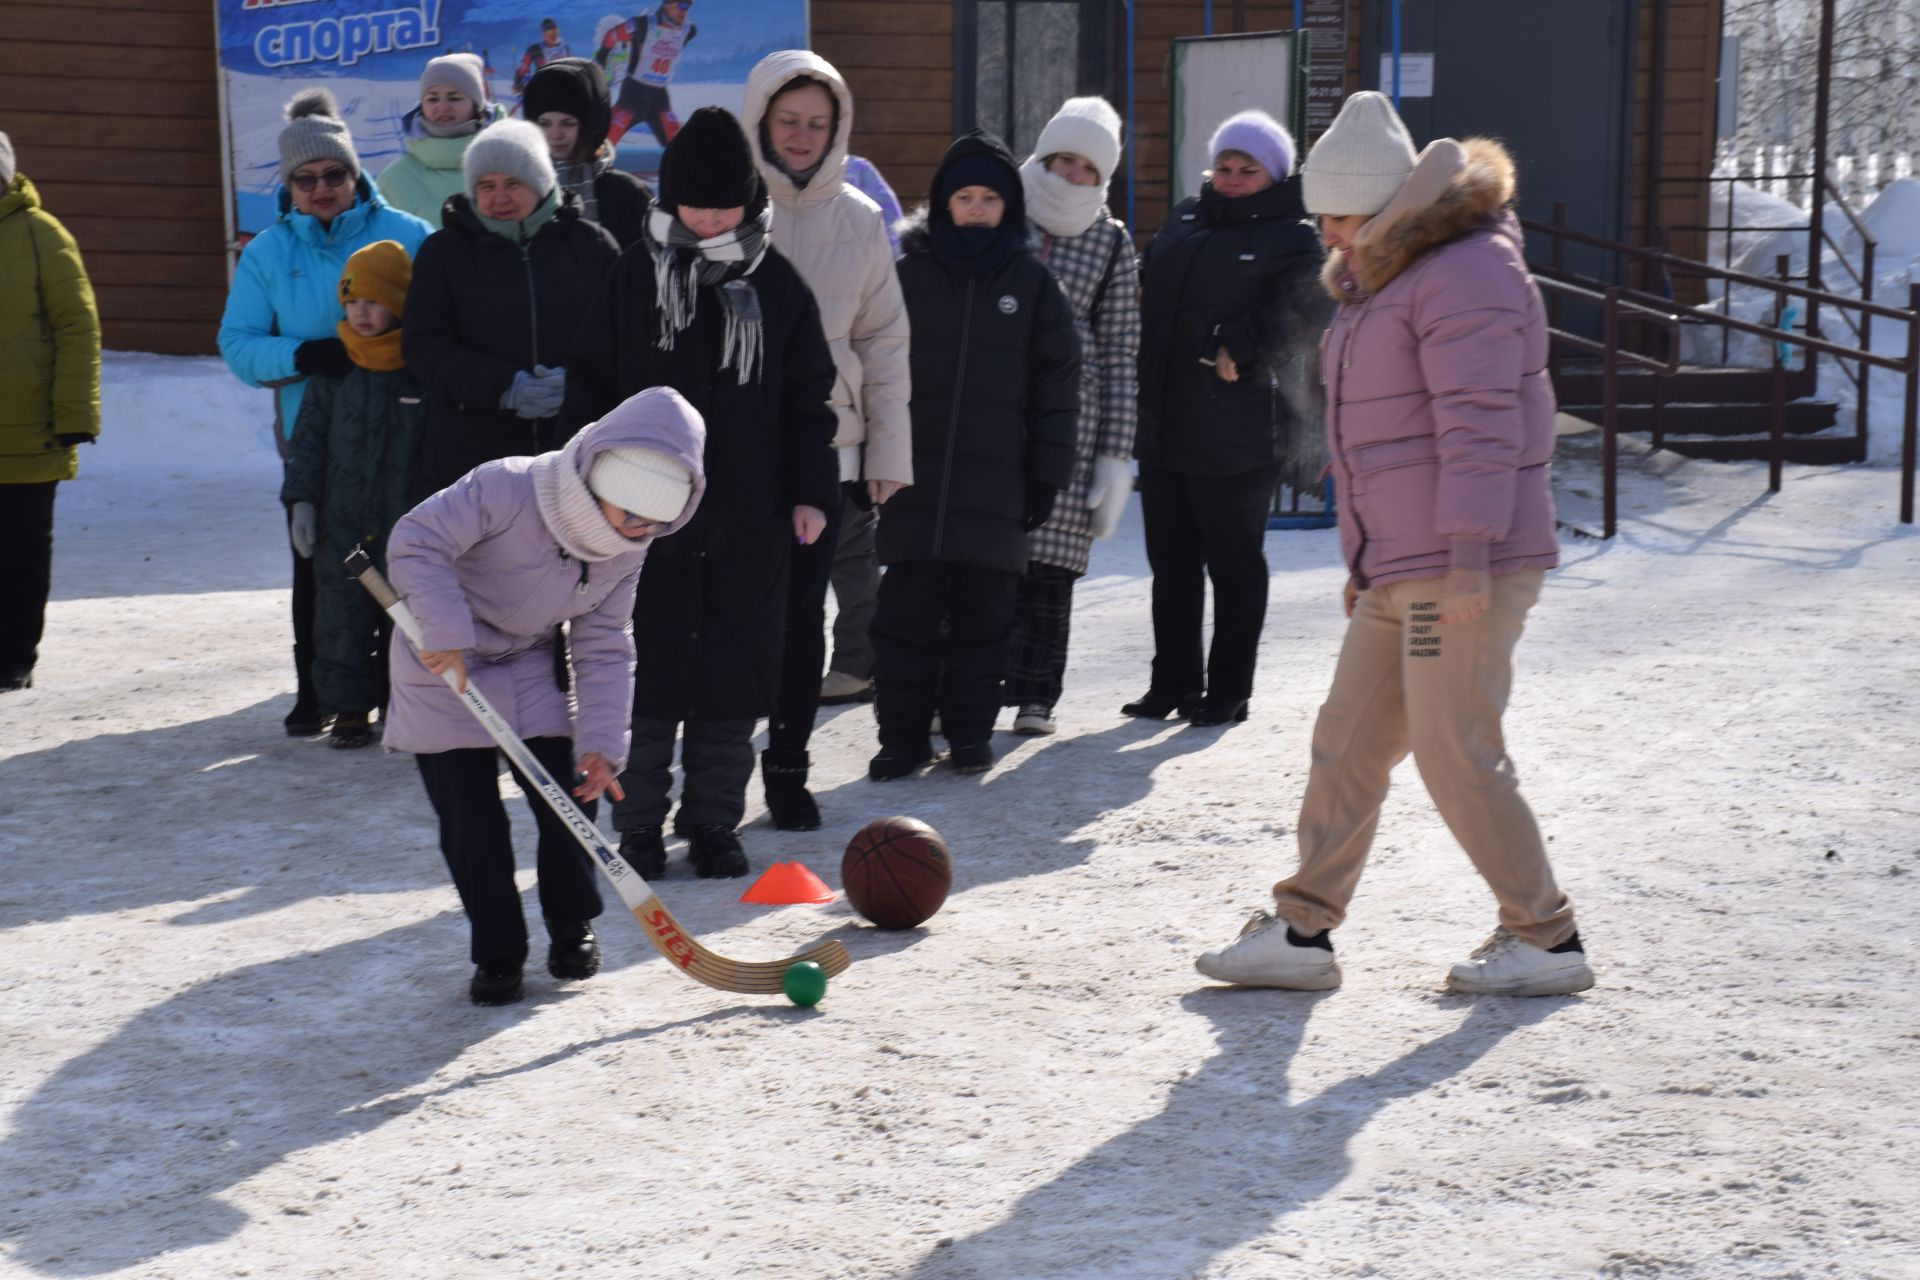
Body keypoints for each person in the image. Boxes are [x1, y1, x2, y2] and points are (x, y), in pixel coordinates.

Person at [1193, 91, 1591, 998]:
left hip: (1460, 566)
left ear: (1380, 207)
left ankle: (1546, 938)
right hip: (1406, 568)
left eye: (1335, 215)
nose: (1326, 234)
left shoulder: (1467, 276)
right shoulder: (1389, 280)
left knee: (1457, 748)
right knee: (1348, 742)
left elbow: (1482, 427)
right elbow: (1380, 441)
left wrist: (1465, 559)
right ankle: (1301, 931)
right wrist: (1369, 562)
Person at [567, 106, 837, 878]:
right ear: (670, 201)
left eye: (725, 205)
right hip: (639, 520)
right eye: (696, 203)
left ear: (751, 204)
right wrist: (584, 479)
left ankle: (716, 822)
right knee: (644, 683)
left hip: (746, 521)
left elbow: (806, 400)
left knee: (732, 681)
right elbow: (588, 379)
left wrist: (811, 491)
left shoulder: (778, 287)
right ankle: (640, 824)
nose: (710, 217)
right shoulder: (633, 278)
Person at [385, 387, 705, 1006]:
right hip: (442, 658)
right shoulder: (507, 486)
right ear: (600, 477)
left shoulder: (626, 552)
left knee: (568, 799)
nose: (641, 529)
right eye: (631, 511)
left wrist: (604, 744)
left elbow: (606, 640)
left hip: (530, 660)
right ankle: (498, 951)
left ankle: (571, 923)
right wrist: (447, 635)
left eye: (656, 519)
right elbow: (416, 540)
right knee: (472, 822)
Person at [218, 90, 433, 736]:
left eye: (333, 174)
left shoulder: (408, 235)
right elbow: (238, 344)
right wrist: (308, 353)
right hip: (318, 433)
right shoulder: (269, 253)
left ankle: (410, 693)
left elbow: (444, 323)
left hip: (401, 429)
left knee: (409, 565)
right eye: (305, 179)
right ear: (289, 185)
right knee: (321, 572)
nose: (322, 188)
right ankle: (321, 691)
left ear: (353, 173)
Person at [869, 129, 1079, 781]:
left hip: (997, 487)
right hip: (913, 481)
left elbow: (1058, 383)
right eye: (965, 196)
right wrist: (866, 460)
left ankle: (966, 734)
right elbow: (869, 368)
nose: (978, 209)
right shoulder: (905, 275)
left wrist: (1049, 472)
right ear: (943, 202)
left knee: (984, 622)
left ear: (1009, 207)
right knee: (904, 620)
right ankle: (902, 737)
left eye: (991, 197)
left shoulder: (1032, 283)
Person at [743, 50, 912, 830]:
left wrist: (886, 455)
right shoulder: (730, 212)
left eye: (818, 122)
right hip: (736, 452)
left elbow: (884, 344)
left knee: (804, 616)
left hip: (832, 451)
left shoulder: (862, 218)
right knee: (739, 616)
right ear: (762, 122)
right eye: (790, 120)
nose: (803, 135)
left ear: (837, 126)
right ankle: (715, 775)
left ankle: (787, 769)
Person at [1129, 109, 1325, 729]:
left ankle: (1228, 689)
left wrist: (1240, 344)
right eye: (1225, 165)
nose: (1233, 177)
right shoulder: (1186, 217)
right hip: (1166, 419)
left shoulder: (1294, 235)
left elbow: (1308, 305)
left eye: (1248, 169)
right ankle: (1172, 682)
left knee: (1234, 562)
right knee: (1172, 563)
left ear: (1273, 175)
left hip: (1239, 429)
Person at [1004, 96, 1141, 737]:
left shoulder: (1112, 243)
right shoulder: (1002, 209)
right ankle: (972, 686)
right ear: (1044, 156)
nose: (1071, 175)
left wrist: (1115, 455)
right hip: (997, 411)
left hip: (1075, 424)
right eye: (1063, 160)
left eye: (1088, 167)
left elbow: (1120, 352)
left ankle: (1036, 693)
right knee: (986, 561)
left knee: (1051, 571)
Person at [404, 118, 619, 496]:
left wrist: (576, 386)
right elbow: (424, 347)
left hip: (574, 459)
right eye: (486, 186)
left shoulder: (593, 247)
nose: (499, 197)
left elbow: (621, 343)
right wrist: (506, 386)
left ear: (539, 183)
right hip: (470, 464)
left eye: (513, 183)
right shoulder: (443, 253)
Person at [280, 241, 426, 749]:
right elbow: (308, 442)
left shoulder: (418, 372)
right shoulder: (333, 371)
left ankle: (403, 704)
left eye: (374, 301)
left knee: (404, 617)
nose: (361, 313)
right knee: (340, 616)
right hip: (339, 521)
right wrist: (300, 500)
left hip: (401, 520)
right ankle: (348, 708)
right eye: (352, 302)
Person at [0, 131, 100, 692]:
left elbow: (77, 327)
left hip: (31, 432)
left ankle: (16, 656)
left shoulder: (44, 235)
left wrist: (74, 413)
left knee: (22, 551)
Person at [820, 150, 909, 707]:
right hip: (799, 420)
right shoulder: (777, 197)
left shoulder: (861, 181)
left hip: (854, 417)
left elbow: (886, 328)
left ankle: (856, 660)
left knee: (854, 551)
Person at [524, 57, 654, 249]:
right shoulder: (522, 190)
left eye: (567, 123)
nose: (555, 134)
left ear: (590, 126)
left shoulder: (626, 194)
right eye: (544, 123)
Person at [377, 53, 508, 229]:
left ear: (476, 105)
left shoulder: (512, 166)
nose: (443, 107)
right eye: (432, 99)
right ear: (421, 105)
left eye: (454, 98)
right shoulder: (393, 180)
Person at [596, 1, 696, 147]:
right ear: (668, 5)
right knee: (602, 144)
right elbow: (611, 35)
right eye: (681, 5)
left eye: (689, 5)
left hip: (659, 99)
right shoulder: (642, 25)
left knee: (679, 148)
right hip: (633, 96)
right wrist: (603, 55)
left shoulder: (688, 31)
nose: (685, 10)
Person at [512, 17, 571, 106]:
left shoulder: (564, 48)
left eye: (555, 31)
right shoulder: (535, 50)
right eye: (550, 31)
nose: (553, 34)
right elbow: (522, 70)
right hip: (542, 93)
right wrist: (518, 84)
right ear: (543, 34)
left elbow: (571, 69)